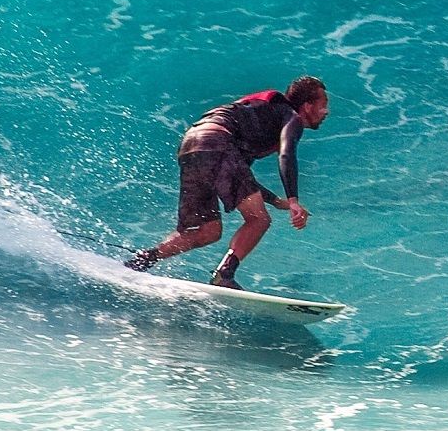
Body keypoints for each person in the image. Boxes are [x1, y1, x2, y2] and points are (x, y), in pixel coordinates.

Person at [126, 75, 330, 289]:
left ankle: (141, 261)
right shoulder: (291, 117)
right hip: (217, 142)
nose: (326, 112)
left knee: (207, 231)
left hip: (193, 143)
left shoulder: (261, 120)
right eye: (323, 105)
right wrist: (293, 200)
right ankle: (224, 274)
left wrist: (277, 201)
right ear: (307, 106)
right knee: (258, 220)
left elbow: (237, 176)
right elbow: (286, 155)